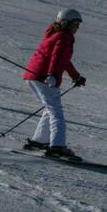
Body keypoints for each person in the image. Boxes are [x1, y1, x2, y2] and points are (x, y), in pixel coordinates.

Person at [21, 9, 88, 160]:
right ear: (66, 23)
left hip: (33, 75)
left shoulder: (55, 34)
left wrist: (75, 76)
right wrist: (51, 74)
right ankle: (57, 146)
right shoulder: (65, 37)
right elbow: (56, 56)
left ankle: (39, 141)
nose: (77, 28)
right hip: (44, 77)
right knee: (56, 112)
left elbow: (63, 60)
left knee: (50, 109)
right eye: (75, 24)